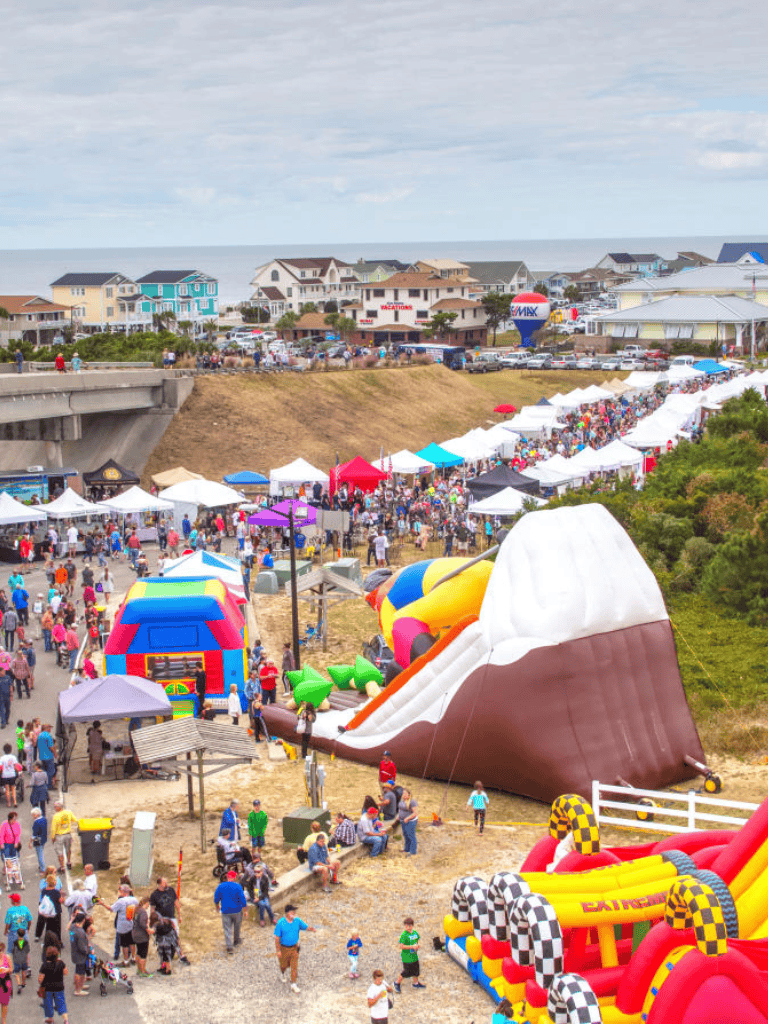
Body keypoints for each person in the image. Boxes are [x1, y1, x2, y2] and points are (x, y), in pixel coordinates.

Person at [273, 903, 316, 993]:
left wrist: (311, 929)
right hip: (284, 948)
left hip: (295, 948)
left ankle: (293, 984)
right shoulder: (280, 923)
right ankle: (283, 973)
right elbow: (277, 938)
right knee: (284, 965)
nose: (294, 913)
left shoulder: (297, 921)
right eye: (292, 911)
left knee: (294, 966)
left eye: (294, 911)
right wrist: (278, 951)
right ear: (287, 913)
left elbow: (305, 927)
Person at [149, 877, 190, 965]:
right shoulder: (154, 895)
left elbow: (176, 903)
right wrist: (152, 921)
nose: (166, 884)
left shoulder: (171, 890)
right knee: (162, 939)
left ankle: (181, 956)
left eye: (166, 882)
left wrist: (179, 915)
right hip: (161, 920)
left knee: (175, 937)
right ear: (160, 884)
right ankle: (164, 958)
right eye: (164, 883)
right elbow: (152, 909)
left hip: (172, 918)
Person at [213, 869, 247, 953]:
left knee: (227, 928)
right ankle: (236, 940)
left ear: (227, 877)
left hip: (226, 911)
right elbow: (243, 899)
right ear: (234, 877)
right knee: (237, 926)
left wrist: (217, 906)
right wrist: (245, 910)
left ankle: (229, 947)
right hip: (237, 911)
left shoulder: (221, 886)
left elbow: (216, 898)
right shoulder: (238, 886)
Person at [394, 916, 426, 992]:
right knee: (407, 971)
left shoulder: (415, 933)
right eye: (406, 926)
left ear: (412, 925)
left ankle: (415, 983)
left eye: (409, 926)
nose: (408, 927)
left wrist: (418, 946)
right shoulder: (404, 935)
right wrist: (412, 947)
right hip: (406, 957)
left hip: (414, 956)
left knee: (416, 970)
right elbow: (401, 946)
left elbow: (418, 940)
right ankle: (397, 982)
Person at [38, 944, 68, 1021]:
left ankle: (50, 1019)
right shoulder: (61, 963)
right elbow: (66, 972)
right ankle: (66, 1020)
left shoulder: (44, 965)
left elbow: (40, 979)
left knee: (48, 1004)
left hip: (47, 988)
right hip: (59, 987)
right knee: (61, 1004)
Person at [35, 871, 63, 941]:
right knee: (57, 928)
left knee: (48, 926)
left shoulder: (44, 890)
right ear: (54, 882)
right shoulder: (56, 892)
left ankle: (48, 940)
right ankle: (58, 940)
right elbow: (60, 901)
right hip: (56, 911)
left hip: (48, 912)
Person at [68, 910, 90, 996]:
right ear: (83, 920)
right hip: (80, 955)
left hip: (74, 952)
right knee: (79, 972)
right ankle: (78, 990)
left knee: (79, 971)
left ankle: (81, 984)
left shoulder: (73, 927)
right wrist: (88, 950)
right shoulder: (80, 932)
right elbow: (82, 947)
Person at [50, 803, 76, 873]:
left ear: (59, 807)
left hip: (59, 835)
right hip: (68, 834)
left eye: (55, 806)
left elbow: (53, 828)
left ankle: (62, 867)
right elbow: (74, 820)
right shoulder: (68, 812)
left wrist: (53, 837)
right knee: (68, 849)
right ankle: (69, 862)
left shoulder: (56, 816)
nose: (54, 807)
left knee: (60, 852)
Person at [131, 895, 153, 977]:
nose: (148, 906)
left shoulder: (137, 910)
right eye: (148, 904)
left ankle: (139, 969)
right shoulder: (143, 912)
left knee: (138, 953)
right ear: (146, 903)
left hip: (135, 934)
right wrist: (148, 930)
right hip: (142, 936)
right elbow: (143, 924)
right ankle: (143, 971)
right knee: (143, 954)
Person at [398, 788, 419, 856]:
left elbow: (415, 813)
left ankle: (413, 851)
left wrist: (407, 818)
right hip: (402, 821)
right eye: (403, 793)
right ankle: (407, 849)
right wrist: (399, 816)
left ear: (409, 795)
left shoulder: (412, 802)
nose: (403, 795)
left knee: (411, 835)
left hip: (410, 821)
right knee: (406, 835)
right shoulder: (402, 801)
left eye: (405, 793)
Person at [11, 927, 29, 997]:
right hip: (24, 959)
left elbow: (12, 950)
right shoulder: (26, 942)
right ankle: (23, 982)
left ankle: (19, 985)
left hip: (17, 960)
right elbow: (27, 951)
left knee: (17, 973)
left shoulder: (15, 942)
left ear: (18, 934)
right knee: (24, 971)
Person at [30, 807, 47, 874]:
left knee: (40, 855)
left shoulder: (36, 822)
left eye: (33, 814)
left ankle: (43, 869)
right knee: (41, 852)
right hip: (43, 839)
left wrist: (30, 841)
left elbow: (35, 834)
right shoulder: (44, 819)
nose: (32, 816)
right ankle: (41, 867)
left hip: (38, 840)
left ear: (36, 815)